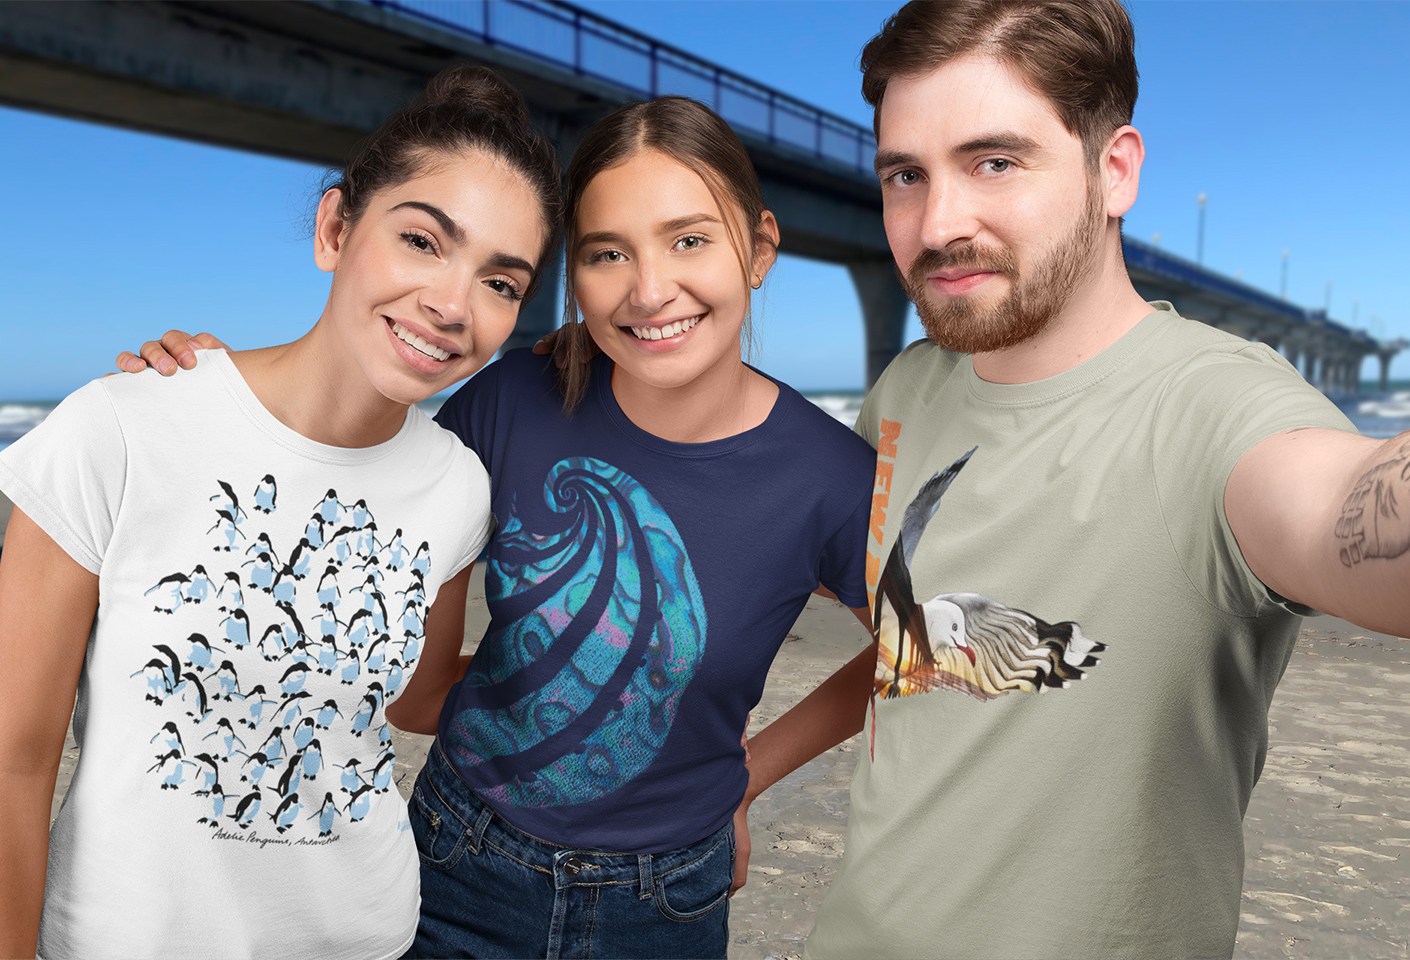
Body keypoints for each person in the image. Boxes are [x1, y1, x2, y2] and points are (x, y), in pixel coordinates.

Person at [115, 96, 879, 959]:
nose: (650, 288)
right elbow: (372, 545)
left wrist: (751, 774)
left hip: (663, 905)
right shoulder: (513, 400)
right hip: (456, 861)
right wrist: (226, 398)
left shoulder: (831, 477)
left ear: (762, 249)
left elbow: (912, 656)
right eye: (606, 253)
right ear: (575, 277)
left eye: (690, 239)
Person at [803, 2, 1410, 959]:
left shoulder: (1212, 407)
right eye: (905, 175)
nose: (939, 222)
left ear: (1115, 169)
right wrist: (743, 771)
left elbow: (1343, 507)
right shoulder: (906, 392)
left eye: (994, 161)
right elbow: (903, 654)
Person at [0, 65, 560, 960]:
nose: (452, 306)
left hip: (364, 935)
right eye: (422, 241)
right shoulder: (124, 426)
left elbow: (415, 701)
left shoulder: (458, 486)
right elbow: (12, 761)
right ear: (335, 228)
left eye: (502, 283)